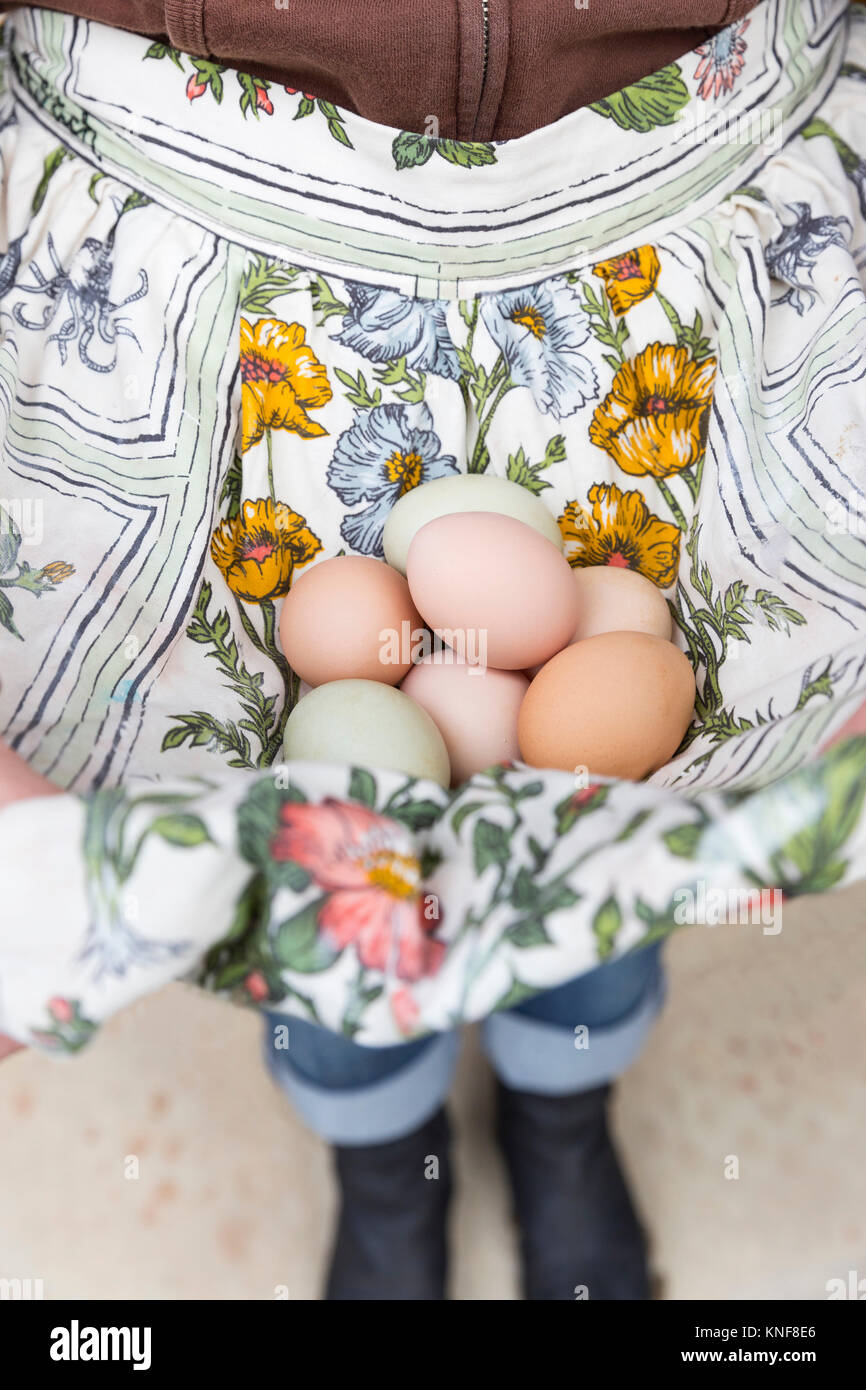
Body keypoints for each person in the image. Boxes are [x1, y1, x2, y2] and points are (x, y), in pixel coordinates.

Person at [2, 0, 865, 1303]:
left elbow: (580, 720)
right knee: (318, 901)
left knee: (612, 837)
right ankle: (381, 1152)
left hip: (707, 196)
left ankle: (559, 1117)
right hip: (180, 223)